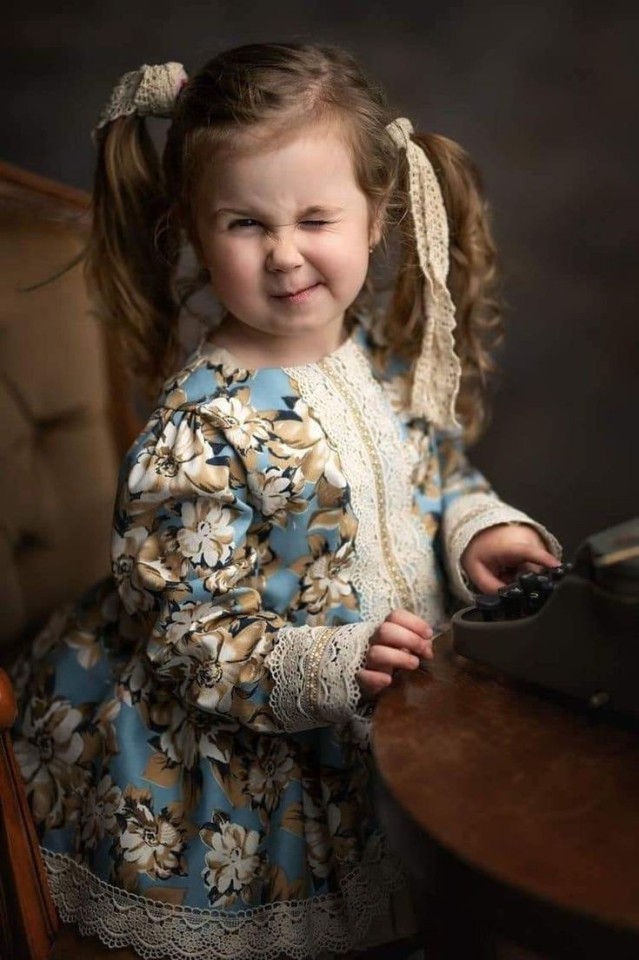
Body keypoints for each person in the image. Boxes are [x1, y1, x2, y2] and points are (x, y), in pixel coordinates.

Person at [11, 42, 561, 960]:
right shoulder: (200, 431)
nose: (284, 254)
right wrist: (332, 664)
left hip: (413, 706)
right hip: (263, 748)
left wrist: (479, 529)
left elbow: (434, 474)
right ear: (193, 230)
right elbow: (191, 634)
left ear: (375, 217)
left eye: (314, 218)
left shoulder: (371, 353)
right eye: (244, 223)